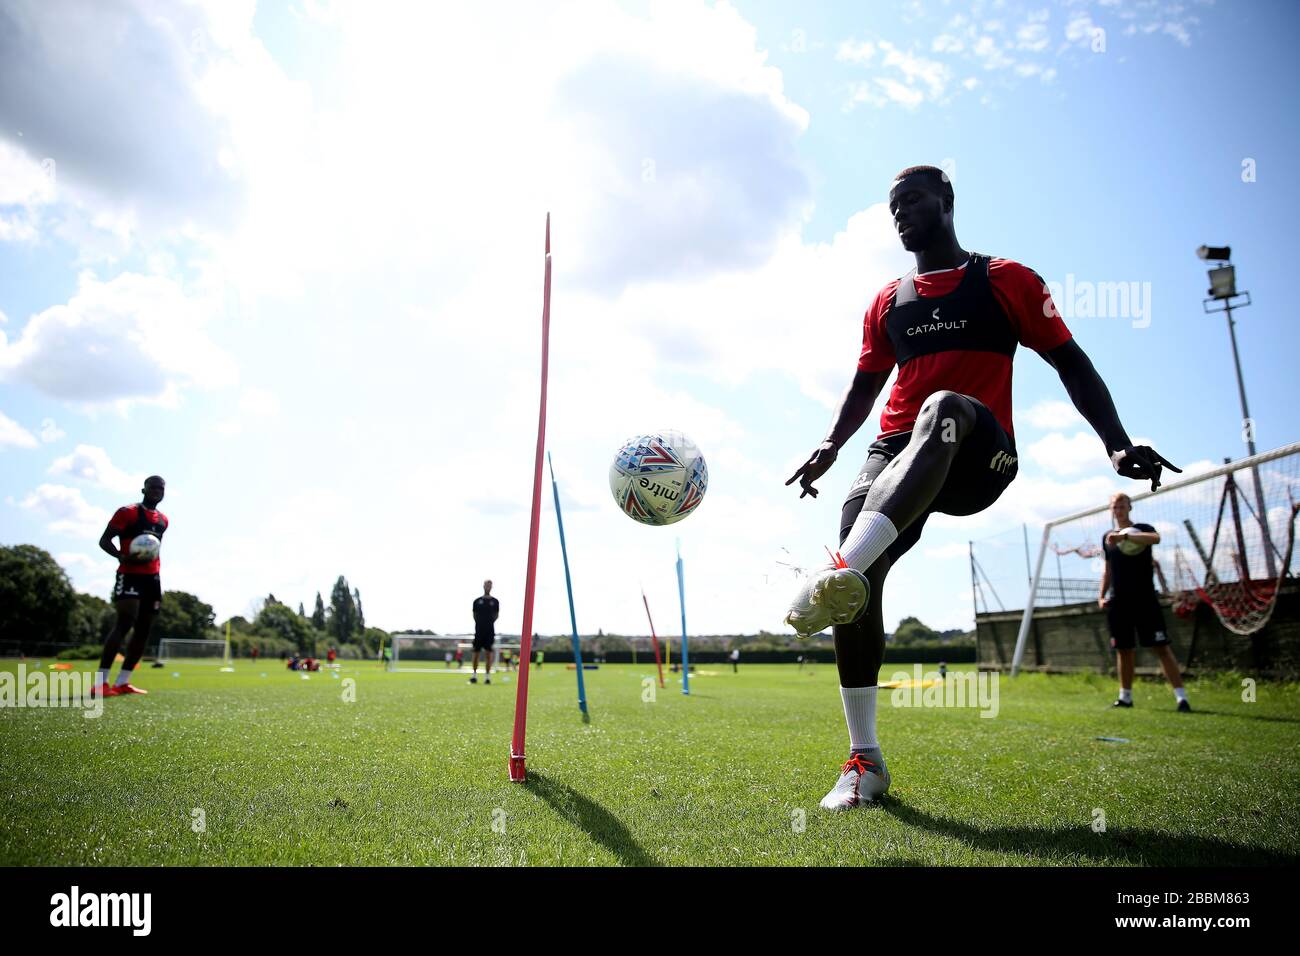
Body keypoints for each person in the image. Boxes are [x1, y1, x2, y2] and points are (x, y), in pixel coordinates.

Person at [783, 166, 1179, 811]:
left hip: (978, 451)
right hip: (893, 451)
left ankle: (840, 570)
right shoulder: (887, 301)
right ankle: (865, 760)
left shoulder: (1009, 281)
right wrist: (832, 443)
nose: (900, 214)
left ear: (946, 201)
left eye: (911, 200)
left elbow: (1071, 361)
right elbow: (866, 383)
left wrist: (1116, 441)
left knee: (942, 408)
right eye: (893, 206)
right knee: (858, 581)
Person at [1100, 492, 1190, 711]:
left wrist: (1126, 537)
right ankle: (1125, 697)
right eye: (1114, 506)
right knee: (1124, 649)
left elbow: (1155, 538)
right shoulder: (1108, 537)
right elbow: (1108, 569)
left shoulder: (1141, 528)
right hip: (1119, 601)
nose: (1118, 509)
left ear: (1130, 507)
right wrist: (1101, 595)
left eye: (1122, 505)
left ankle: (1181, 698)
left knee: (1160, 646)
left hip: (1145, 598)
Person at [93, 476, 169, 698]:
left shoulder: (163, 520)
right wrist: (121, 556)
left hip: (153, 578)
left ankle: (123, 682)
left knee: (144, 629)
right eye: (153, 487)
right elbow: (104, 540)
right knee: (124, 623)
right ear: (143, 489)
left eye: (161, 488)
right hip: (129, 575)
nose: (157, 491)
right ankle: (101, 683)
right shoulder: (127, 512)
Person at [469, 579, 499, 685]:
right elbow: (474, 615)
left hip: (490, 631)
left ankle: (487, 677)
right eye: (486, 585)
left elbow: (496, 615)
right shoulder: (477, 601)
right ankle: (474, 676)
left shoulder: (495, 601)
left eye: (490, 585)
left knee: (488, 654)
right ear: (483, 586)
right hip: (478, 631)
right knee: (476, 653)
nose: (488, 587)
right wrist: (480, 624)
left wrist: (488, 624)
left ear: (492, 587)